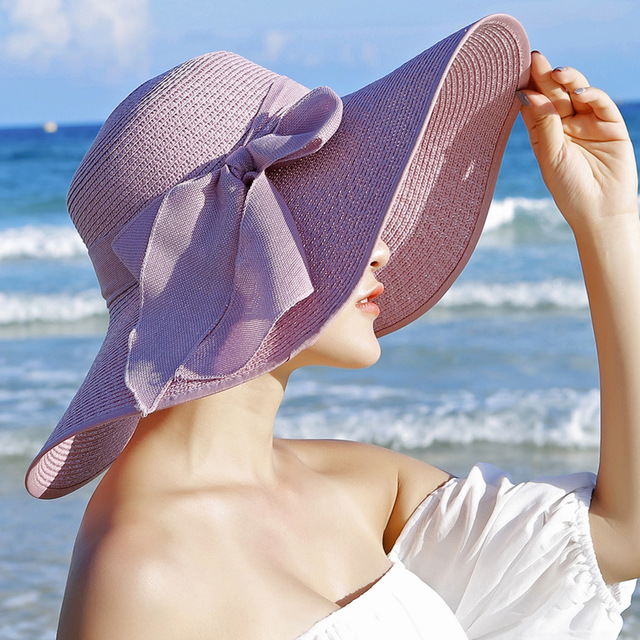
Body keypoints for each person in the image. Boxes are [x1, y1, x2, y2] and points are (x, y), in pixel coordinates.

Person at [25, 14, 639, 640]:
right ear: (230, 259)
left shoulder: (361, 486)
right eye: (328, 213)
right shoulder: (142, 577)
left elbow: (623, 534)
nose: (380, 251)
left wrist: (608, 221)